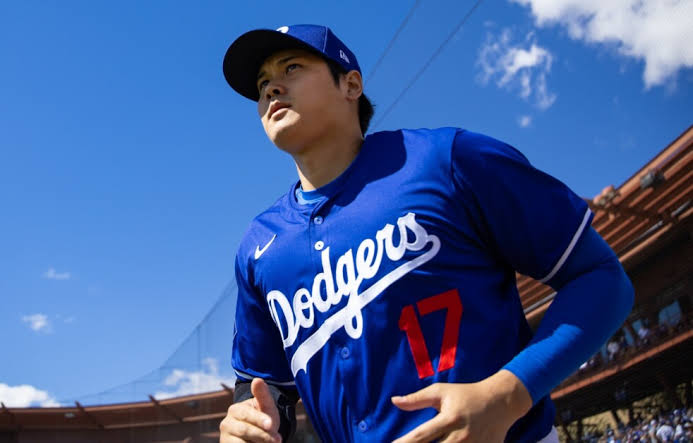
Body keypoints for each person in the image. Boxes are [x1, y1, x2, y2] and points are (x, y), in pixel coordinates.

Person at [218, 24, 634, 443]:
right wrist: (244, 420)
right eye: (262, 83)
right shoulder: (260, 246)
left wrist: (507, 395)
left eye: (291, 68)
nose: (272, 88)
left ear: (351, 84)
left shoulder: (445, 160)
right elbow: (263, 388)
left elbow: (601, 277)